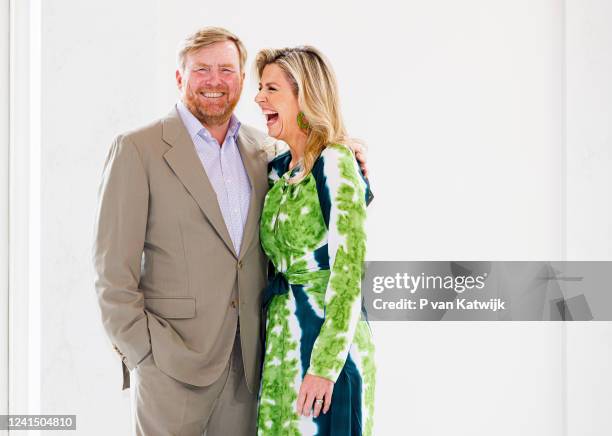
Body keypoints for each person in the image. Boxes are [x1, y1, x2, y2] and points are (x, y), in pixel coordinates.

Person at [92, 27, 368, 436]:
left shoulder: (268, 153)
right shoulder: (138, 149)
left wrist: (350, 160)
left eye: (227, 69)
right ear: (179, 77)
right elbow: (112, 271)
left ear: (240, 79)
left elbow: (318, 208)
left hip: (252, 370)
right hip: (170, 369)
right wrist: (142, 354)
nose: (215, 81)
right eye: (201, 69)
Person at [254, 46, 376, 435]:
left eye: (271, 89)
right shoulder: (277, 172)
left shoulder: (336, 161)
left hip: (327, 349)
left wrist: (324, 367)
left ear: (303, 97)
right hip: (282, 346)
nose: (258, 98)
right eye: (259, 87)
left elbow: (348, 270)